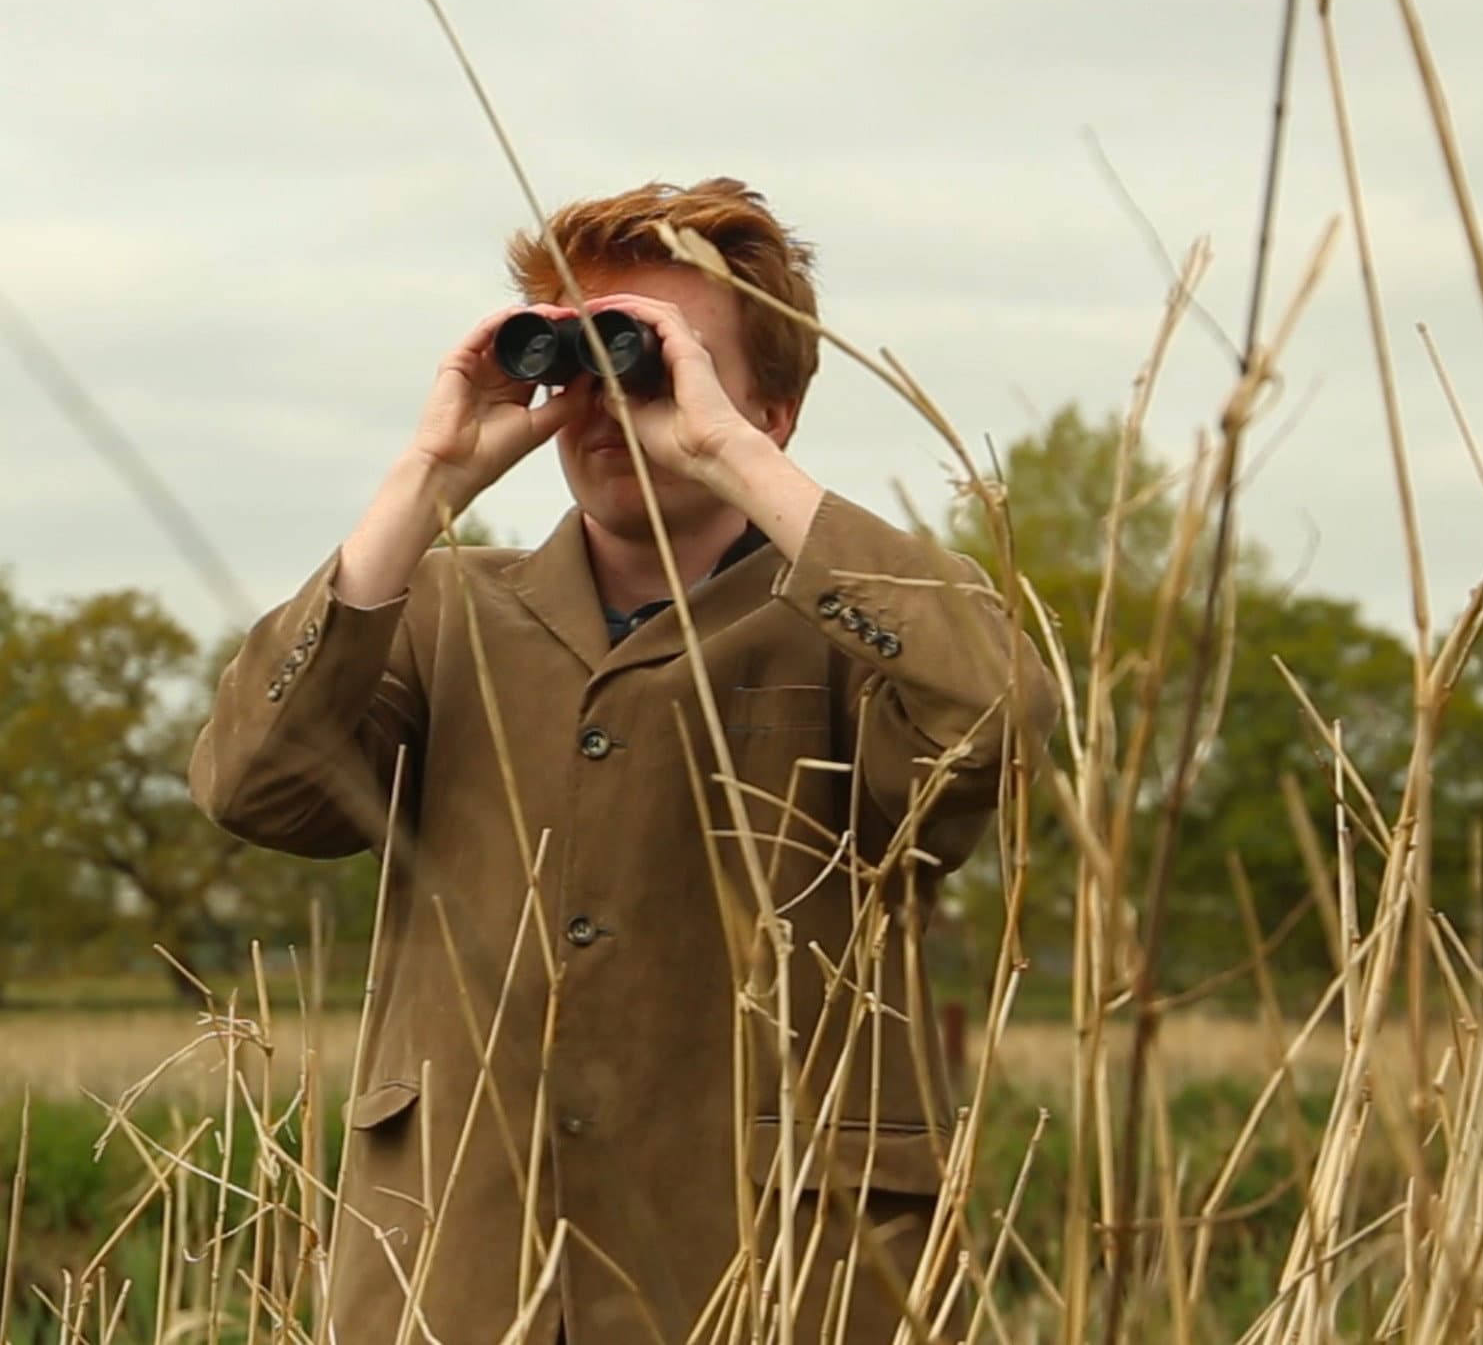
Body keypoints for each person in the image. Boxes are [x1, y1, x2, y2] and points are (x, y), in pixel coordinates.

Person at [189, 179, 1054, 1345]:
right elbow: (252, 783)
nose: (608, 405)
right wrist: (426, 480)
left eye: (654, 360)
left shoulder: (852, 624)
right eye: (578, 360)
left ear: (775, 408)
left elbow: (1001, 717)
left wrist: (723, 451)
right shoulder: (444, 610)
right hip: (466, 1266)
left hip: (777, 1270)